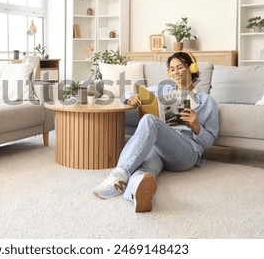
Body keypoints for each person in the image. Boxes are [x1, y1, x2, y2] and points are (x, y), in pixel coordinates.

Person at [93, 51, 219, 212]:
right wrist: (130, 98)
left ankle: (119, 173)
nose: (175, 72)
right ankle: (135, 192)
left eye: (180, 67)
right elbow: (129, 93)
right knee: (144, 169)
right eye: (172, 69)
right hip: (160, 149)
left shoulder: (207, 101)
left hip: (185, 153)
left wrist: (196, 126)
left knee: (149, 119)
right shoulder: (164, 89)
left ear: (192, 68)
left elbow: (210, 140)